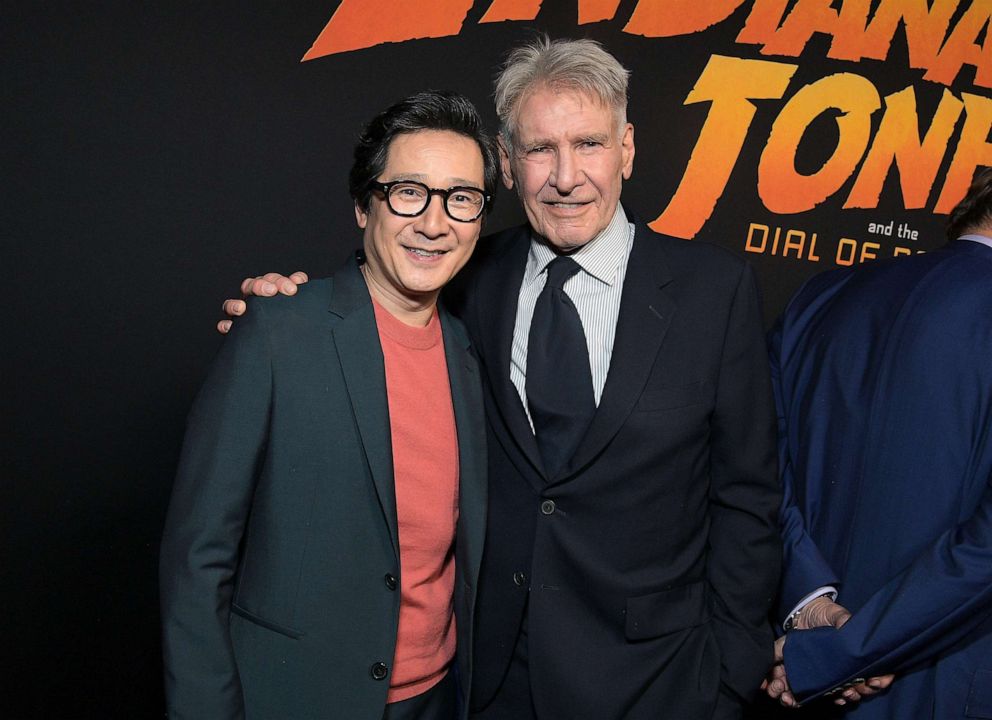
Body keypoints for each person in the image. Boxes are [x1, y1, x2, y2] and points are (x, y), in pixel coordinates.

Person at [223, 38, 781, 719]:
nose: (566, 176)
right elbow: (385, 286)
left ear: (627, 149)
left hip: (657, 682)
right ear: (508, 165)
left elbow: (747, 496)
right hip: (488, 679)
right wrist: (293, 310)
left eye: (589, 144)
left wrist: (728, 678)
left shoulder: (714, 292)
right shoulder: (468, 276)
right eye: (540, 149)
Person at [160, 90, 498, 720]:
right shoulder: (279, 331)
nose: (434, 222)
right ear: (362, 207)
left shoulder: (471, 354)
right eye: (408, 192)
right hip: (295, 697)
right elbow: (197, 557)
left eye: (461, 198)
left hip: (439, 697)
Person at [762, 167, 992, 718]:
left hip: (786, 665)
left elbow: (756, 467)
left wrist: (811, 604)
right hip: (939, 690)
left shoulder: (823, 293)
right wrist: (846, 651)